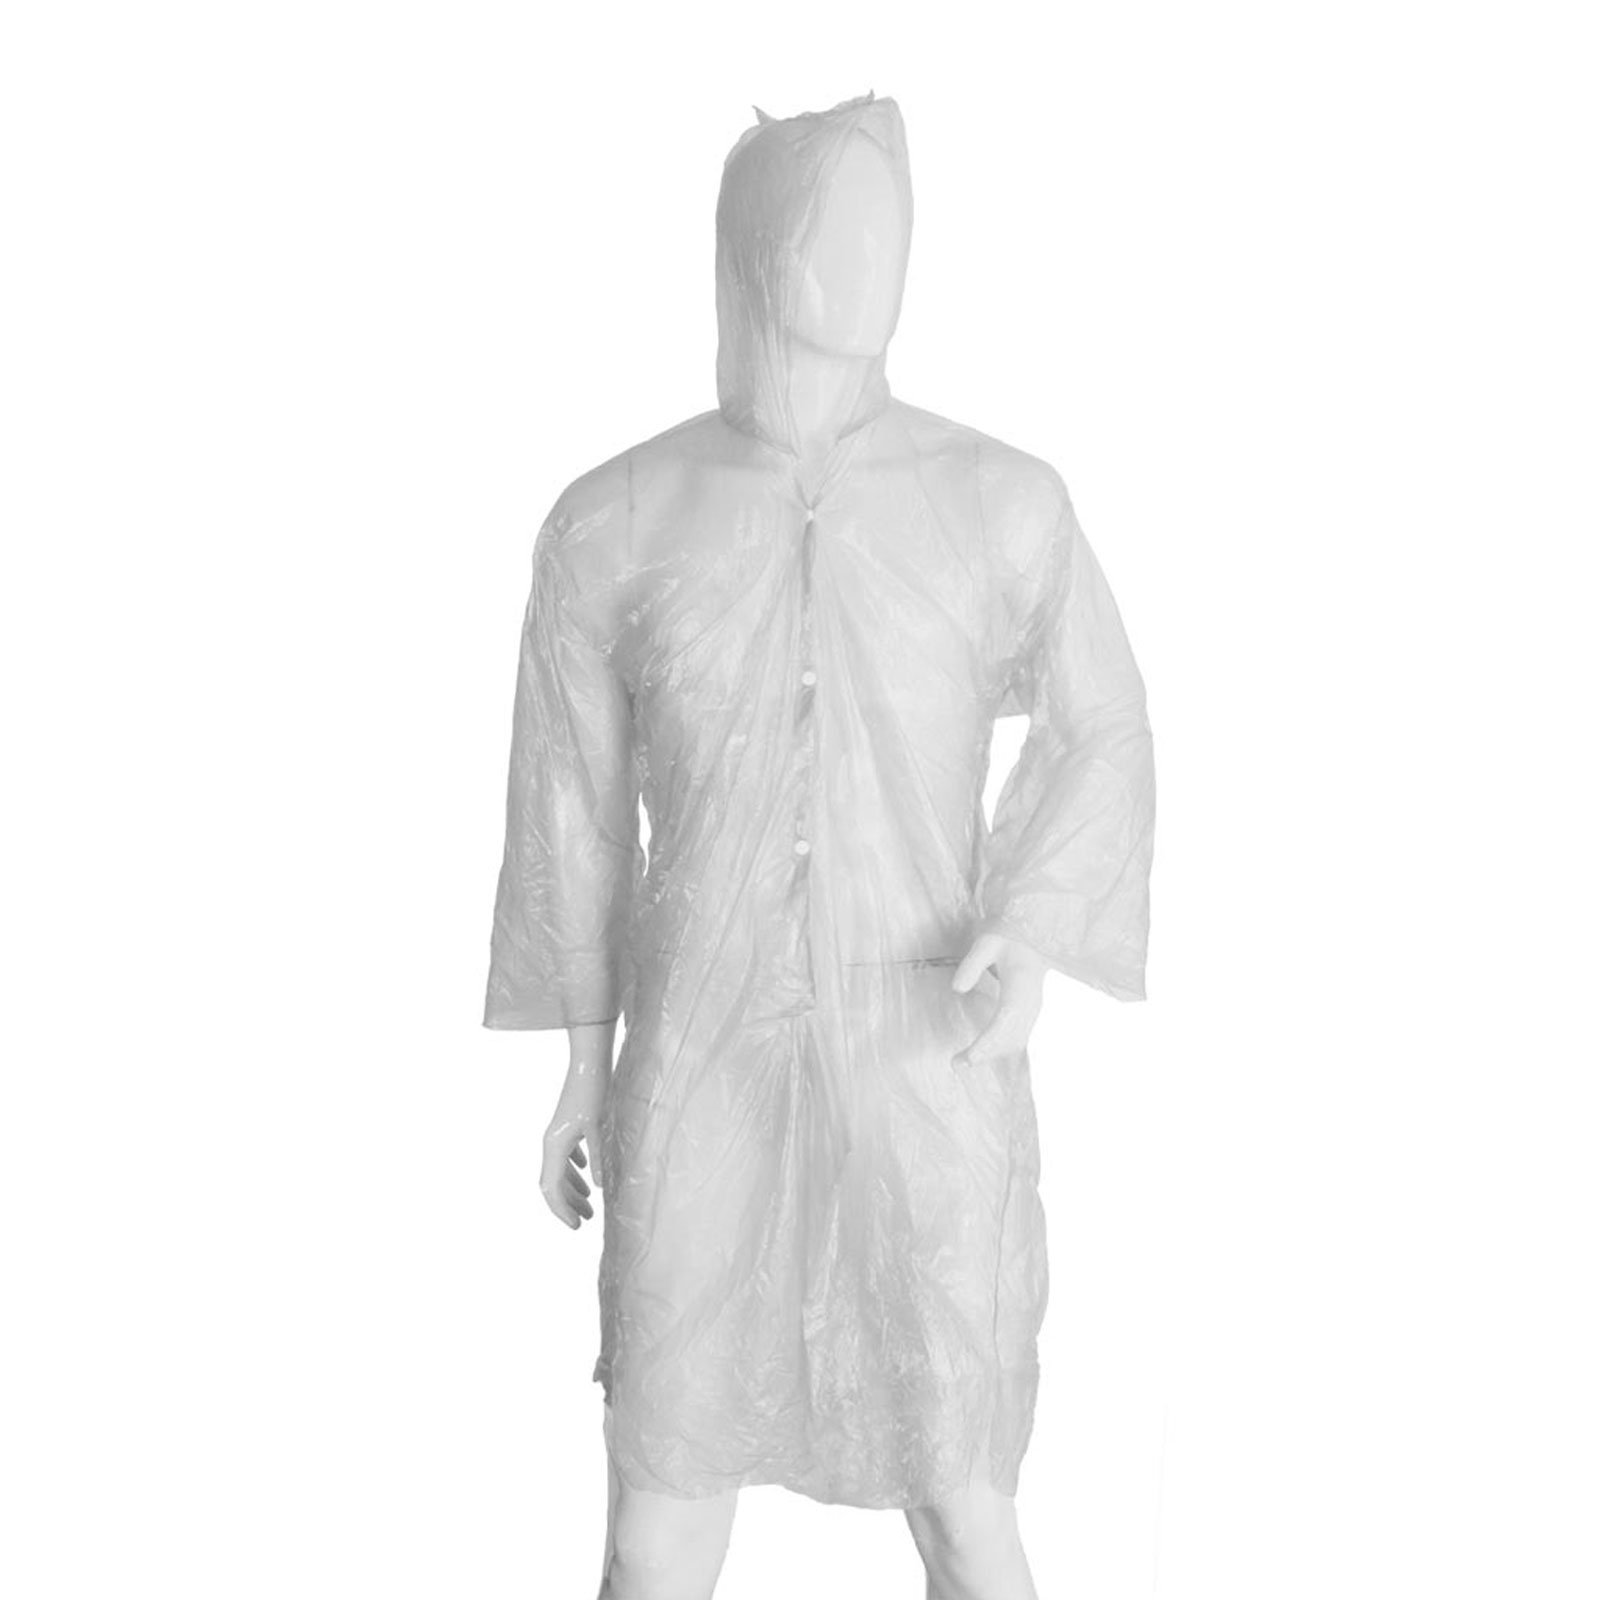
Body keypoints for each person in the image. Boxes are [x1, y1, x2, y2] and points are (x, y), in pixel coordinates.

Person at [484, 91, 1155, 1600]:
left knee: (960, 1492)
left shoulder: (999, 505)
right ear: (746, 250)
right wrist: (584, 1060)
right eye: (821, 225)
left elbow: (1103, 724)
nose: (860, 257)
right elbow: (568, 813)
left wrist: (1031, 926)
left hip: (925, 1048)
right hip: (699, 1059)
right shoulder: (615, 522)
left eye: (878, 219)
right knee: (660, 1512)